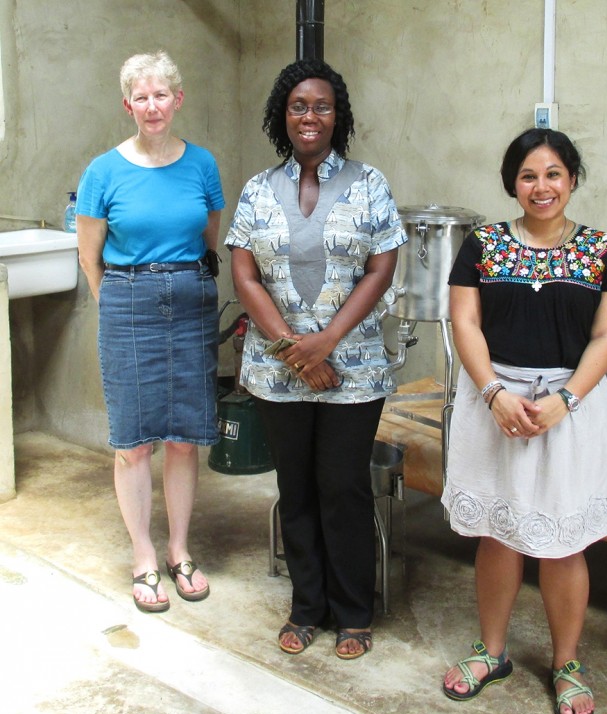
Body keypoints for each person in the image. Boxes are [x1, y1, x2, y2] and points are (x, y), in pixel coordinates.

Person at [441, 128, 607, 714]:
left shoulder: (605, 251)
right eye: (528, 175)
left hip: (569, 410)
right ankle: (493, 650)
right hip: (493, 403)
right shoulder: (482, 245)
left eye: (553, 173)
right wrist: (495, 392)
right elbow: (466, 324)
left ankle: (567, 663)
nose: (541, 186)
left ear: (572, 179)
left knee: (563, 542)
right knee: (498, 534)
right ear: (512, 184)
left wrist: (566, 400)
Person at [225, 59, 407, 659]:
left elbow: (382, 268)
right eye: (299, 106)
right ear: (284, 114)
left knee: (342, 487)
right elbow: (244, 273)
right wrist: (294, 352)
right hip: (277, 371)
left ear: (339, 116)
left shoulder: (369, 183)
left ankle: (354, 611)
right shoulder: (257, 189)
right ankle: (307, 607)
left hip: (351, 367)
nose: (310, 116)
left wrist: (326, 342)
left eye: (322, 106)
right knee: (296, 487)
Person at [76, 51, 224, 613]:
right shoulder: (102, 171)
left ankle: (180, 551)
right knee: (134, 440)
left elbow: (209, 237)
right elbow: (90, 257)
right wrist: (119, 301)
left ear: (177, 99)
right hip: (126, 301)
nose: (152, 106)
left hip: (191, 298)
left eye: (162, 95)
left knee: (185, 437)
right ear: (127, 105)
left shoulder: (203, 165)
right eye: (141, 96)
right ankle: (143, 556)